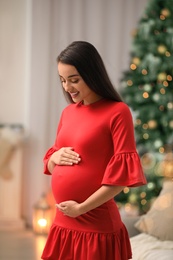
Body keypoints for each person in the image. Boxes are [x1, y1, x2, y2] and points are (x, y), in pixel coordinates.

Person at [41, 41, 147, 260]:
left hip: (96, 224)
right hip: (63, 221)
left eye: (74, 80)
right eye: (62, 80)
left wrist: (81, 208)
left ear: (92, 74)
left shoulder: (118, 112)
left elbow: (120, 179)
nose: (67, 88)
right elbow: (51, 160)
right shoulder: (68, 113)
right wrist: (54, 158)